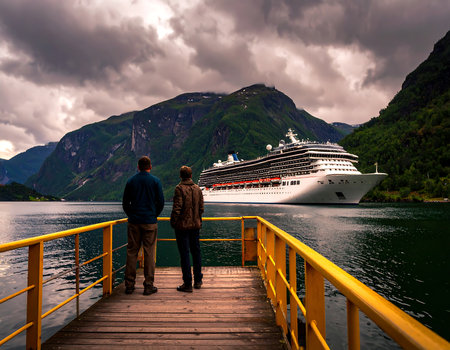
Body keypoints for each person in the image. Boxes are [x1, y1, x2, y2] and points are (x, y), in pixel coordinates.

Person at [122, 156, 164, 295]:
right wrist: (153, 215)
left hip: (134, 222)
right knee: (149, 253)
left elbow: (125, 203)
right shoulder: (156, 181)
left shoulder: (131, 181)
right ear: (150, 167)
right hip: (150, 222)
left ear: (138, 167)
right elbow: (161, 202)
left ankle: (129, 285)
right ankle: (148, 285)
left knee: (132, 252)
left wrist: (132, 215)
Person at [170, 165, 204, 292]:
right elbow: (201, 208)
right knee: (196, 252)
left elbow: (177, 208)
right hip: (195, 226)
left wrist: (173, 222)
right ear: (191, 175)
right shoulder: (198, 189)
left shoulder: (179, 188)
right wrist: (198, 220)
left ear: (181, 176)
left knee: (184, 254)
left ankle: (188, 283)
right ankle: (198, 280)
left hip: (182, 227)